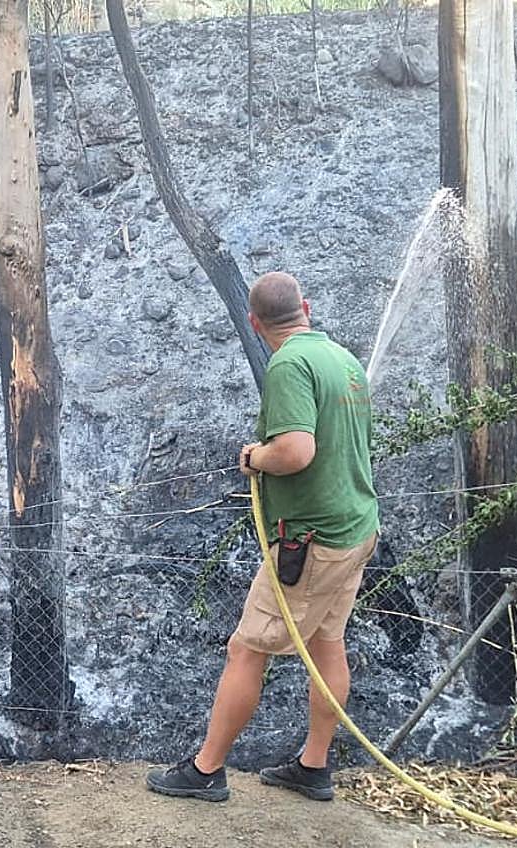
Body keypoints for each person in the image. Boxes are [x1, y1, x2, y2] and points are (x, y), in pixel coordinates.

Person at [147, 271, 379, 803]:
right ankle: (313, 767)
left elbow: (296, 451)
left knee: (246, 650)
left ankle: (206, 771)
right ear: (306, 307)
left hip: (311, 541)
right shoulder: (343, 360)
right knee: (326, 642)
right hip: (354, 528)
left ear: (254, 323)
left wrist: (256, 457)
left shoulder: (289, 365)